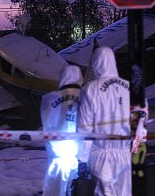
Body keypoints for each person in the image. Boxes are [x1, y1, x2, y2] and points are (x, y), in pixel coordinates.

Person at [77, 47, 131, 196]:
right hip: (125, 156)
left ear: (96, 64)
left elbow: (85, 128)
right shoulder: (129, 88)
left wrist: (82, 158)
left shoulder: (91, 89)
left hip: (101, 157)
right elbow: (140, 121)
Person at [40, 65, 83, 196]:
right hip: (79, 154)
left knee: (55, 190)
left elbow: (46, 122)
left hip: (57, 153)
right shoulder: (86, 97)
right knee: (78, 189)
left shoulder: (49, 98)